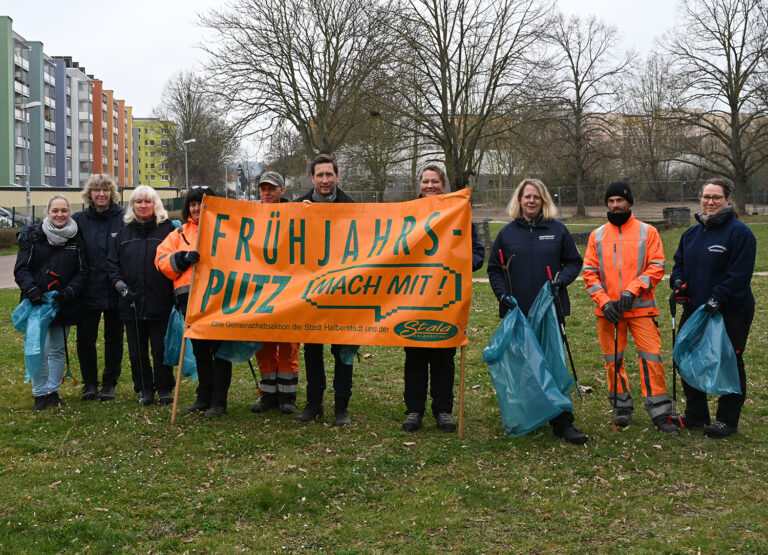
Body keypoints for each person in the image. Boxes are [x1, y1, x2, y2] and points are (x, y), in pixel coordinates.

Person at [486, 178, 587, 444]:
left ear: (544, 201)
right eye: (526, 196)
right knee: (524, 365)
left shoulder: (557, 230)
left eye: (536, 197)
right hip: (518, 310)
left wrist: (561, 279)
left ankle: (562, 420)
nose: (531, 201)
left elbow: (575, 262)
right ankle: (530, 412)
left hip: (550, 310)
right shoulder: (506, 234)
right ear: (519, 200)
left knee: (552, 363)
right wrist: (502, 296)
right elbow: (494, 269)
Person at [583, 182, 678, 434]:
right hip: (609, 312)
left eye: (619, 200)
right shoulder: (597, 235)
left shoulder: (648, 232)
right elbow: (589, 274)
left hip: (642, 309)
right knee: (612, 361)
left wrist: (632, 290)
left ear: (629, 202)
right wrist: (604, 302)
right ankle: (621, 409)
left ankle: (660, 414)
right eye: (611, 201)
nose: (615, 205)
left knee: (651, 359)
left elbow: (657, 266)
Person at [400, 164, 485, 433]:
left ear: (444, 185)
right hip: (414, 297)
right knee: (414, 357)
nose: (429, 186)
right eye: (425, 181)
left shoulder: (458, 213)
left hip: (446, 298)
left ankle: (443, 411)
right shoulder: (407, 214)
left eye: (434, 181)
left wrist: (459, 263)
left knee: (443, 357)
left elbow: (478, 254)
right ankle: (414, 410)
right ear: (419, 185)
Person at [670, 177, 756, 438]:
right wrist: (678, 283)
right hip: (695, 309)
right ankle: (696, 414)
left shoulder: (740, 233)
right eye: (706, 197)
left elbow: (739, 274)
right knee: (684, 356)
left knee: (729, 360)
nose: (710, 202)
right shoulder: (691, 234)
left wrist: (719, 297)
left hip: (730, 310)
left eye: (716, 197)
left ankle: (727, 420)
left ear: (728, 200)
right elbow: (679, 265)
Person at [156, 186, 233, 419]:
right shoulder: (179, 234)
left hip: (219, 301)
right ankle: (204, 397)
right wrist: (182, 259)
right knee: (200, 352)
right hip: (190, 301)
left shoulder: (227, 230)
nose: (197, 208)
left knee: (220, 353)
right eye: (193, 204)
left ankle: (219, 401)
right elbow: (161, 261)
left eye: (201, 203)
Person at [294, 154, 357, 426]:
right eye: (319, 175)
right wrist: (298, 215)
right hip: (310, 292)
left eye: (329, 175)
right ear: (312, 178)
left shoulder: (353, 207)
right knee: (312, 349)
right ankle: (314, 404)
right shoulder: (297, 207)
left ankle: (342, 406)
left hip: (344, 292)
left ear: (337, 176)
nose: (324, 180)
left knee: (344, 350)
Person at [14, 195, 88, 410]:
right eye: (55, 210)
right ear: (48, 212)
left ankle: (52, 392)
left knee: (57, 349)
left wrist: (68, 292)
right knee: (38, 349)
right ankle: (39, 395)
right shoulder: (32, 237)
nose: (60, 214)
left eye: (64, 210)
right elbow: (21, 268)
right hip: (36, 303)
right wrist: (32, 290)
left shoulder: (76, 238)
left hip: (63, 302)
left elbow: (83, 271)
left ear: (69, 212)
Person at [106, 186, 175, 406]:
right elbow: (112, 264)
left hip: (160, 299)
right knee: (137, 352)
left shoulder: (168, 230)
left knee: (160, 349)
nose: (143, 206)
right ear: (132, 205)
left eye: (147, 202)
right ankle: (145, 389)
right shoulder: (123, 231)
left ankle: (164, 388)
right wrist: (120, 285)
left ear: (155, 204)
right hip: (131, 301)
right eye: (138, 202)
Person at [250, 171, 300, 415]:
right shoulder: (249, 216)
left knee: (289, 345)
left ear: (283, 191)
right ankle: (268, 396)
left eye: (271, 189)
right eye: (263, 189)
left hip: (290, 290)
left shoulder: (298, 214)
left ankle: (288, 397)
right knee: (264, 345)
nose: (266, 193)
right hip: (260, 291)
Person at [72, 174, 125, 402]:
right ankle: (90, 384)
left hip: (115, 288)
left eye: (105, 189)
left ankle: (109, 383)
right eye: (96, 190)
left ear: (111, 192)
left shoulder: (124, 217)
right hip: (87, 289)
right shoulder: (79, 220)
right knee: (85, 338)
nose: (101, 194)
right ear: (89, 194)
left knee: (114, 338)